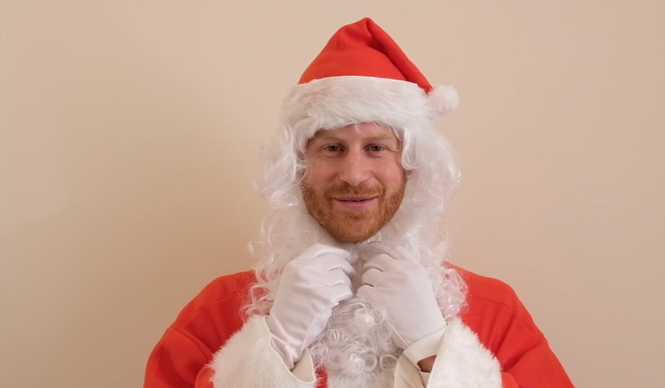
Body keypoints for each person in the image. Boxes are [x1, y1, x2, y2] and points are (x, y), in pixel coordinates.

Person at [143, 18, 575, 388]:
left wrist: (435, 351)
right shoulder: (217, 312)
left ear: (413, 165)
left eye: (376, 148)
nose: (353, 174)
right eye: (331, 148)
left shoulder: (495, 310)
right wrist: (273, 349)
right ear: (295, 166)